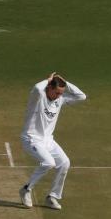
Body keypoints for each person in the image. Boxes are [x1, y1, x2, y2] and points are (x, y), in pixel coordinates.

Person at [18, 72, 87, 211]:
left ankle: (52, 197)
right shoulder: (38, 97)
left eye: (61, 93)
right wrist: (48, 79)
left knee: (64, 163)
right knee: (49, 163)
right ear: (49, 87)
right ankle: (26, 189)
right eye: (56, 92)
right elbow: (38, 87)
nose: (59, 95)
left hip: (48, 141)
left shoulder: (60, 100)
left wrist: (66, 83)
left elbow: (82, 96)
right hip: (31, 139)